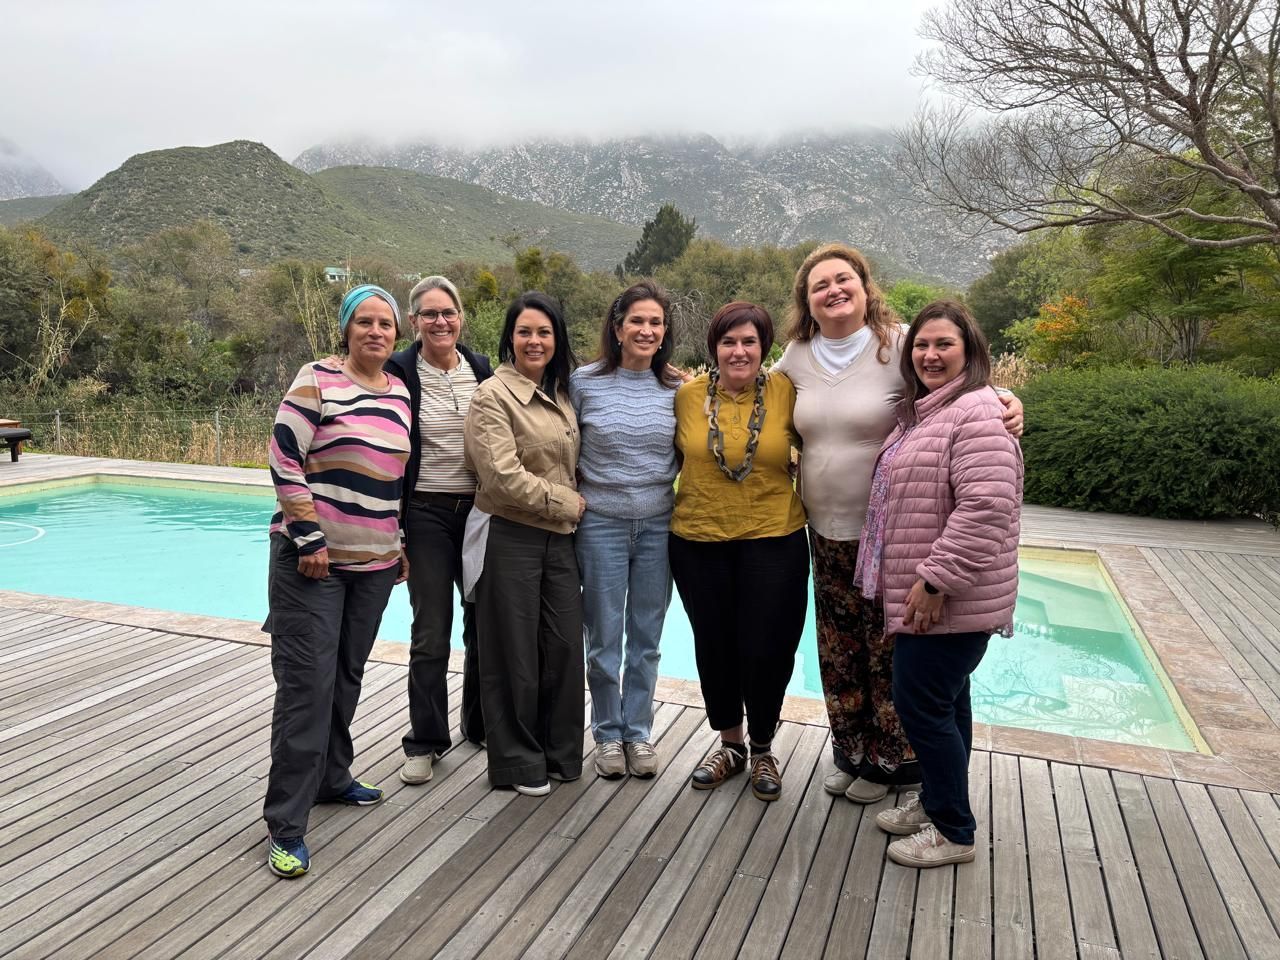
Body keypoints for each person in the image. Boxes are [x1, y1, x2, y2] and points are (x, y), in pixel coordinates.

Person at [774, 243, 1023, 804]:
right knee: (839, 648)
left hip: (892, 535)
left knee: (890, 648)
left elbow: (959, 377)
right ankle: (854, 751)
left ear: (865, 287)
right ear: (806, 301)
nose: (833, 291)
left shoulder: (901, 343)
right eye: (820, 285)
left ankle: (898, 764)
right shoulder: (794, 357)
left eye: (844, 280)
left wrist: (1007, 397)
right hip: (824, 528)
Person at [862, 300, 1023, 868]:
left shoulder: (977, 412)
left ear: (969, 351)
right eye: (922, 346)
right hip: (938, 593)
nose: (930, 355)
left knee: (922, 706)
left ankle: (954, 830)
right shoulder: (929, 411)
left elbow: (987, 508)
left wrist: (935, 582)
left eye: (943, 345)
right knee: (946, 705)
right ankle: (936, 803)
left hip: (947, 597)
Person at [262, 284, 412, 878]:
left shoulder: (399, 392)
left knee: (345, 677)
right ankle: (286, 825)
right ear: (346, 329)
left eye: (385, 324)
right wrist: (308, 538)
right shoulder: (316, 379)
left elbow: (390, 477)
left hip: (374, 566)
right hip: (312, 565)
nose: (376, 332)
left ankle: (332, 777)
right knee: (307, 688)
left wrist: (397, 544)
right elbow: (283, 458)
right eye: (365, 322)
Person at [668, 301, 809, 802]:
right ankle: (730, 744)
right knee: (715, 645)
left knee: (768, 648)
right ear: (714, 347)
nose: (739, 350)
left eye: (749, 341)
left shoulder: (788, 391)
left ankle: (764, 745)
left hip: (774, 539)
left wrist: (1000, 396)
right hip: (698, 541)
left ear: (764, 346)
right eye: (729, 341)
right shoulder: (684, 395)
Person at [463, 291, 585, 797]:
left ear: (557, 340)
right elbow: (499, 477)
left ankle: (560, 753)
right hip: (509, 533)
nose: (534, 341)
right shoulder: (491, 395)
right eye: (524, 332)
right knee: (511, 652)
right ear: (509, 338)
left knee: (561, 648)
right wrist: (568, 502)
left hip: (558, 540)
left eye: (544, 332)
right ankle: (517, 761)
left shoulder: (561, 394)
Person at [570, 280, 683, 780]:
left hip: (660, 524)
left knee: (647, 636)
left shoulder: (677, 388)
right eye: (636, 320)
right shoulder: (584, 382)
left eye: (655, 322)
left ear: (664, 333)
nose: (646, 329)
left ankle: (639, 733)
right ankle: (607, 733)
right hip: (601, 525)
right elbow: (564, 449)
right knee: (603, 637)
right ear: (617, 329)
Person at [385, 276, 494, 787]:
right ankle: (425, 740)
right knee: (432, 631)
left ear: (461, 316)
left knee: (482, 624)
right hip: (425, 513)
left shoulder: (481, 370)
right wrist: (395, 530)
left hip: (478, 513)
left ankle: (479, 725)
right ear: (414, 322)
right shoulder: (399, 371)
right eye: (429, 314)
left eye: (448, 312)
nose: (440, 322)